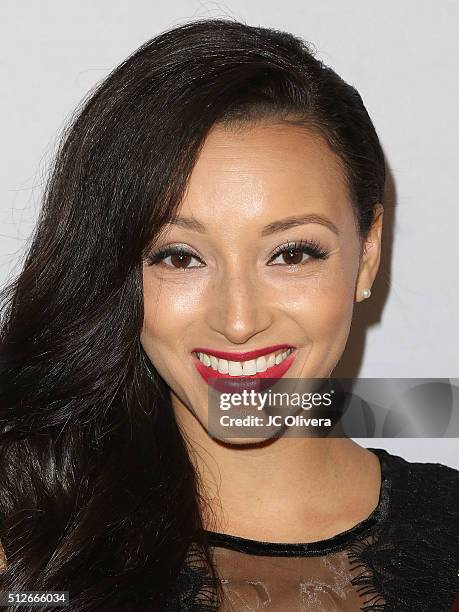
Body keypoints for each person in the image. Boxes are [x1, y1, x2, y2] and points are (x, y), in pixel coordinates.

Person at [0, 18, 457, 612]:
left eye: (292, 253)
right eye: (180, 257)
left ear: (367, 255)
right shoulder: (26, 550)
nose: (238, 321)